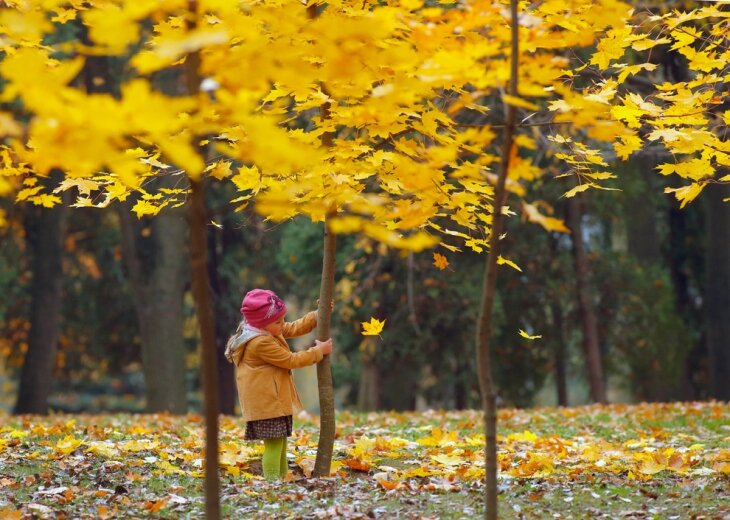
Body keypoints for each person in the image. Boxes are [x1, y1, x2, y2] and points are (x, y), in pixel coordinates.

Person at [225, 288, 333, 481]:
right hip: (266, 403)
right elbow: (290, 360)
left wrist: (318, 315)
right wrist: (318, 351)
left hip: (273, 401)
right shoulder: (259, 343)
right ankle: (272, 482)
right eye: (278, 321)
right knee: (274, 445)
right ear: (263, 324)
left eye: (282, 319)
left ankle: (282, 479)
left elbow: (293, 327)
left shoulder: (266, 330)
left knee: (280, 442)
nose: (283, 324)